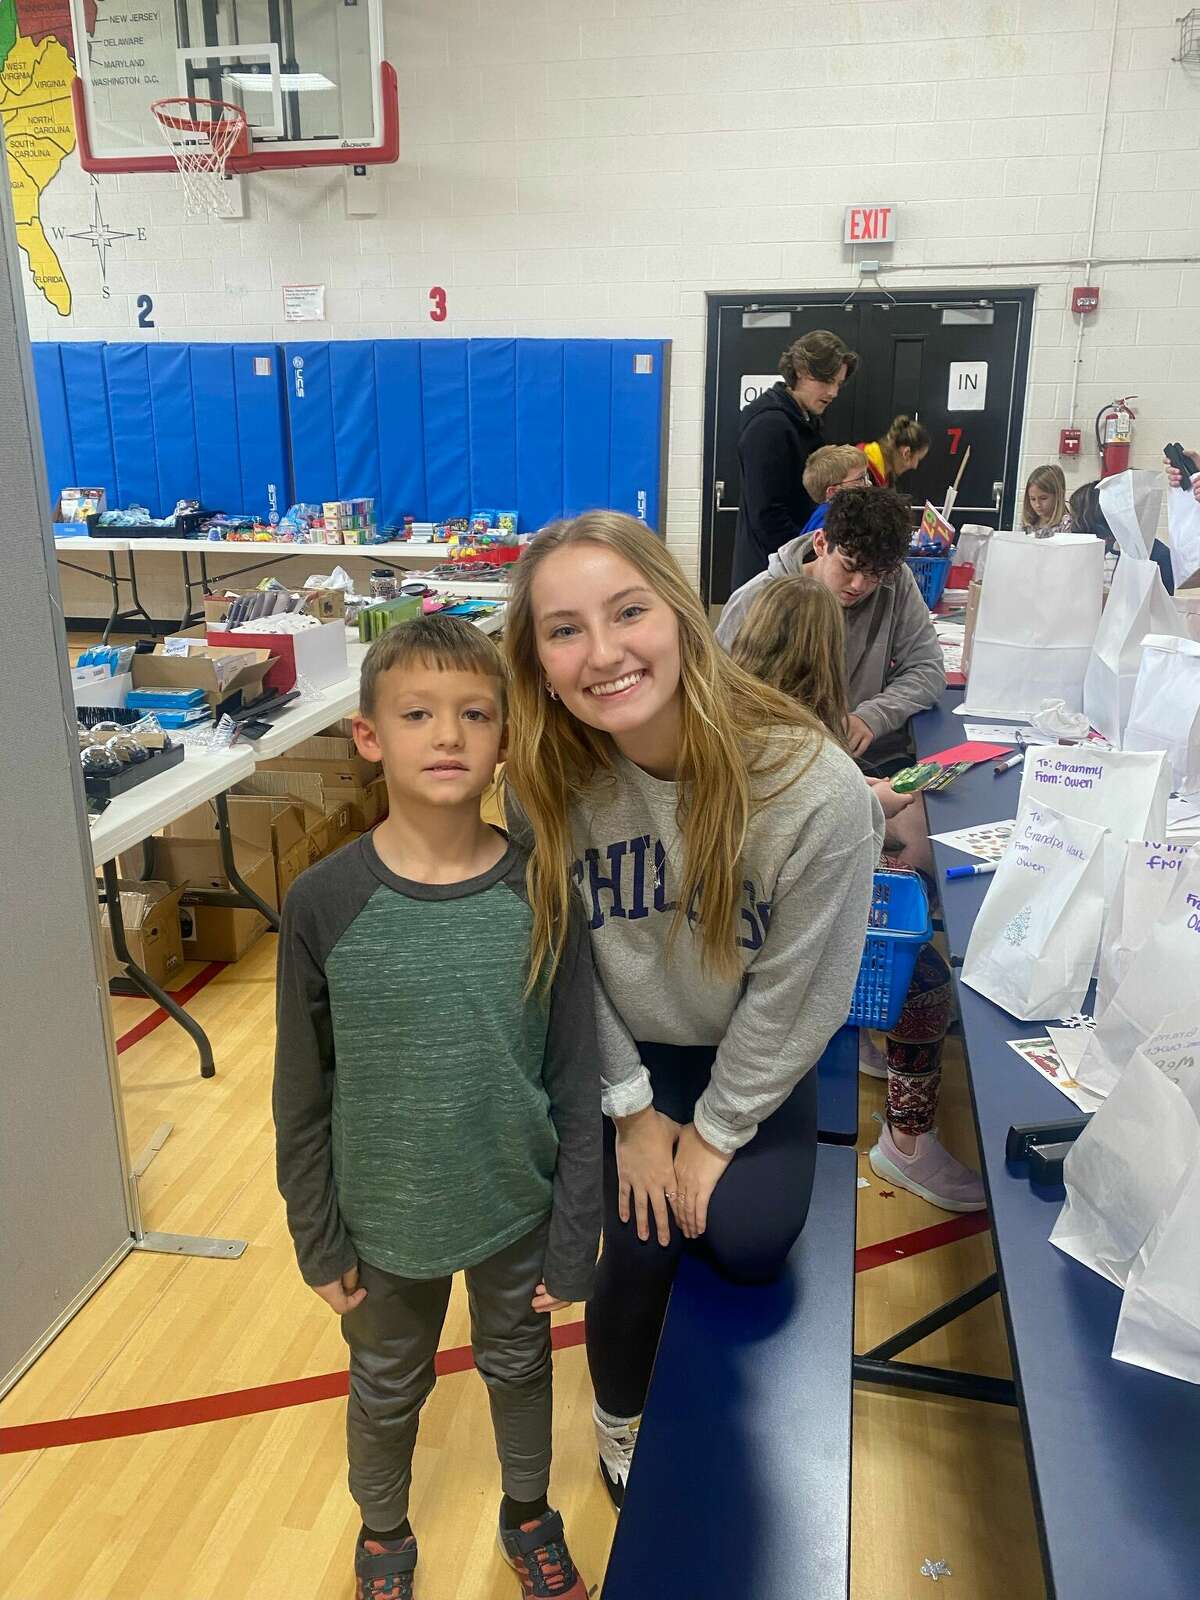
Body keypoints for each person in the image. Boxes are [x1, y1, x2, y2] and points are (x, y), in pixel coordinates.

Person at [503, 511, 883, 1506]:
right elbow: (561, 965)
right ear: (538, 662)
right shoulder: (541, 785)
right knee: (634, 1241)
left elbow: (800, 992)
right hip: (617, 1049)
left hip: (745, 1052)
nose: (604, 652)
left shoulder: (815, 790)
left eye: (628, 611)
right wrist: (629, 1109)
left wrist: (714, 1133)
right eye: (565, 629)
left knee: (748, 1242)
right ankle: (618, 1424)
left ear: (680, 615)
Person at [273, 615, 600, 1600]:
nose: (448, 735)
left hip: (515, 1205)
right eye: (417, 714)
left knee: (520, 1366)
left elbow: (576, 1076)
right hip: (383, 1219)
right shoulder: (323, 902)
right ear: (369, 736)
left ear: (505, 738)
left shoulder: (545, 889)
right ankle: (383, 1540)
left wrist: (575, 1226)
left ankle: (528, 1513)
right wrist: (316, 1234)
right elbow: (301, 1089)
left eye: (473, 714)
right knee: (384, 1390)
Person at [727, 575, 985, 1211]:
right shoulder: (813, 746)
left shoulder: (733, 715)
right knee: (923, 976)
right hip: (778, 942)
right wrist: (901, 800)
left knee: (908, 828)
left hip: (745, 916)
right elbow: (854, 834)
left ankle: (874, 1045)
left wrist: (891, 791)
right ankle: (907, 1141)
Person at [716, 486, 946, 777]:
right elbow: (722, 697)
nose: (859, 585)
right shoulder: (756, 598)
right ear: (821, 542)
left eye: (875, 575)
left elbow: (927, 669)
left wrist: (872, 717)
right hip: (782, 766)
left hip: (871, 759)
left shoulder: (895, 580)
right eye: (849, 567)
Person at [730, 329, 859, 590]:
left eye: (838, 383)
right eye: (826, 381)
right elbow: (768, 515)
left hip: (794, 569)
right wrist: (809, 560)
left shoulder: (806, 421)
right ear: (800, 370)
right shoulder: (769, 425)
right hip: (772, 576)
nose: (833, 392)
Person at [799, 444, 873, 534]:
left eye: (866, 476)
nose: (869, 483)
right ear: (833, 492)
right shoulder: (831, 527)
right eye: (860, 479)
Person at [858, 414, 930, 487]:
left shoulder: (887, 475)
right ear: (906, 453)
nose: (915, 466)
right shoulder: (859, 474)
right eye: (918, 459)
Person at [1020, 464, 1072, 535]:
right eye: (1033, 499)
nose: (1037, 504)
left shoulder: (1067, 523)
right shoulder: (1029, 522)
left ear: (1058, 496)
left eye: (1043, 498)